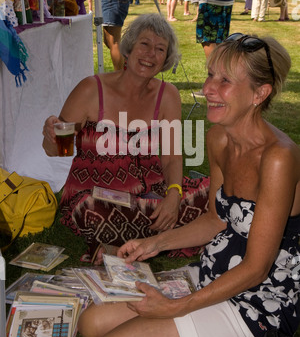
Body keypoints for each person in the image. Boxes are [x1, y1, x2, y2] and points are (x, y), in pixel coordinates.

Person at [77, 33, 300, 337]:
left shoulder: (279, 158)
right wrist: (155, 244)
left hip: (259, 299)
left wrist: (177, 307)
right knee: (91, 323)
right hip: (215, 272)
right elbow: (215, 219)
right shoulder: (219, 138)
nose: (208, 88)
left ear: (260, 93)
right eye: (210, 74)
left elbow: (258, 268)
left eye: (225, 81)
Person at [42, 14, 210, 262]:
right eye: (144, 44)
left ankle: (127, 244)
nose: (150, 53)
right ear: (129, 49)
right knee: (90, 211)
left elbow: (173, 157)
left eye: (160, 48)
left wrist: (174, 195)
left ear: (165, 59)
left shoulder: (168, 95)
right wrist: (49, 134)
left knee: (216, 193)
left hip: (152, 193)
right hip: (97, 196)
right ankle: (165, 238)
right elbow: (56, 150)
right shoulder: (91, 89)